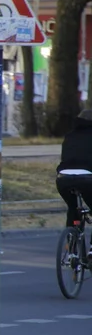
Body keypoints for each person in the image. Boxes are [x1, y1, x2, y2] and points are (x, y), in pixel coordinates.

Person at [56, 109, 92, 257]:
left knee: (73, 208)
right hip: (87, 178)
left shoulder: (69, 136)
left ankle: (71, 251)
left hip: (63, 178)